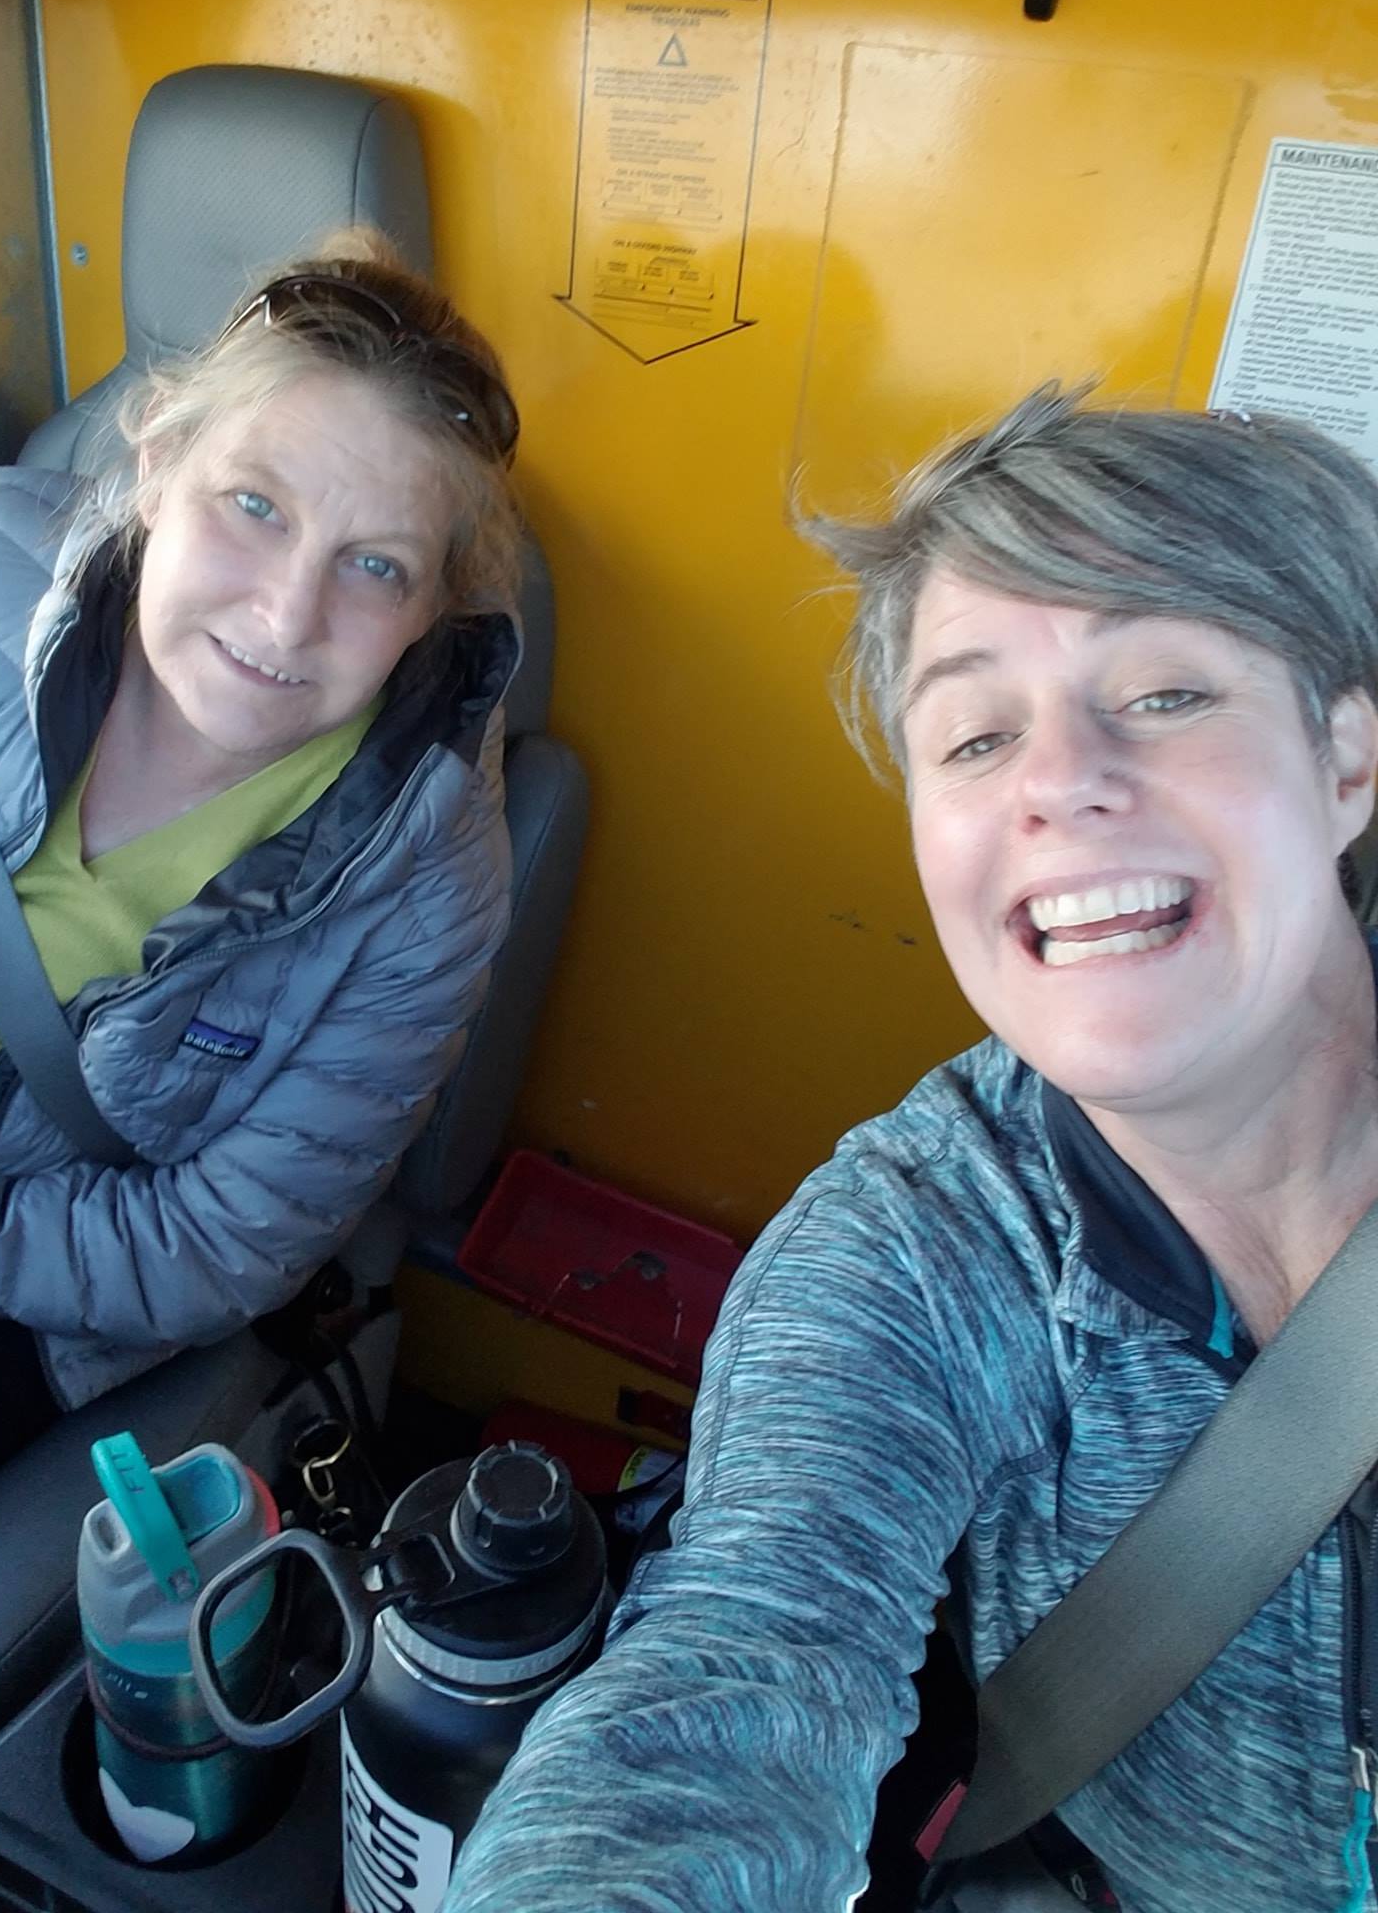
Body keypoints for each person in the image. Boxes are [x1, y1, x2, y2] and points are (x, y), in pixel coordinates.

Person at [441, 384, 1378, 1913]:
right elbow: (738, 1670)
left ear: (1344, 759)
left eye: (1165, 694)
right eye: (977, 734)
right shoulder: (917, 1249)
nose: (1055, 782)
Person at [0, 227, 521, 1553]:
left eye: (375, 566)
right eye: (254, 506)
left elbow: (208, 1250)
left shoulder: (423, 881)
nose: (285, 616)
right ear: (157, 462)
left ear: (432, 611)